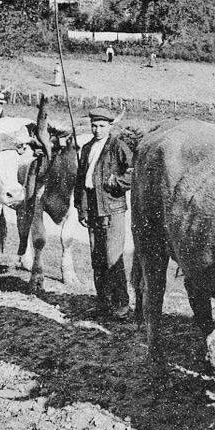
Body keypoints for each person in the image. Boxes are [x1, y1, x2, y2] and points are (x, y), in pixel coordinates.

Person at [75, 107, 133, 319]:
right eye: (94, 126)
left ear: (110, 126)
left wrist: (115, 182)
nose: (97, 130)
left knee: (112, 258)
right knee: (97, 259)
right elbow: (81, 181)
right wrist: (81, 209)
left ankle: (121, 305)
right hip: (92, 208)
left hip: (112, 208)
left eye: (101, 126)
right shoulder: (87, 148)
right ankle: (103, 303)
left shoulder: (118, 146)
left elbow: (133, 173)